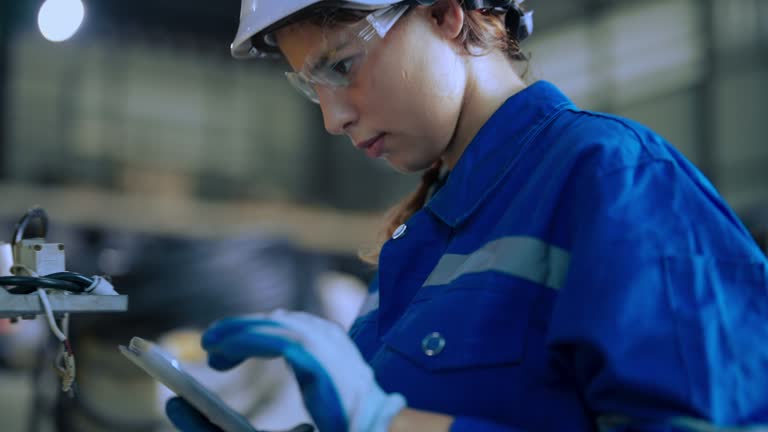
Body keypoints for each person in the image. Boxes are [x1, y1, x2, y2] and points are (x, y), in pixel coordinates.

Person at [165, 1, 768, 431]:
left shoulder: (613, 178)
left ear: (445, 15)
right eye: (310, 86)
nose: (332, 119)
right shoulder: (422, 238)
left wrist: (388, 425)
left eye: (343, 67)